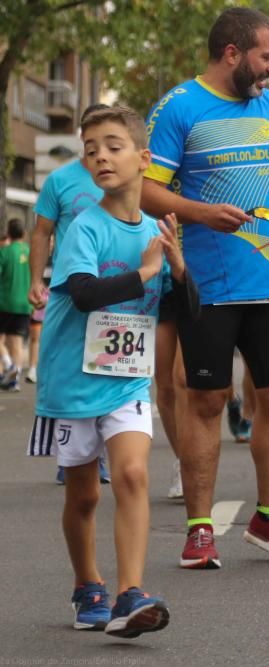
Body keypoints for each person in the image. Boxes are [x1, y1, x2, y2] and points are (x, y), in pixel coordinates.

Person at [141, 7, 269, 567]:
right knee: (207, 400)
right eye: (267, 56)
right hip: (206, 283)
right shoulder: (178, 107)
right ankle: (199, 529)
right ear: (233, 54)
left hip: (268, 278)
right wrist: (198, 212)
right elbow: (147, 192)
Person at [27, 106, 194, 637]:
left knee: (132, 474)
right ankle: (87, 586)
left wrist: (178, 269)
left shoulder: (156, 229)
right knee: (84, 495)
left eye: (113, 145)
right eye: (91, 147)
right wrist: (146, 270)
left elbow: (181, 310)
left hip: (127, 378)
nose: (100, 155)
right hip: (73, 379)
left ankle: (130, 595)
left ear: (144, 158)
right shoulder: (85, 228)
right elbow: (82, 295)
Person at [29, 104, 113, 485]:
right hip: (71, 291)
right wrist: (36, 280)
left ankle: (98, 453)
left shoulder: (123, 178)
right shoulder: (60, 180)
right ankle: (72, 454)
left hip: (116, 291)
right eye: (92, 137)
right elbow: (41, 232)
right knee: (70, 373)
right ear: (82, 137)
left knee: (107, 370)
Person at [0, 219, 31, 391]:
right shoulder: (30, 251)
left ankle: (9, 364)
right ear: (24, 233)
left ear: (9, 233)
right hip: (25, 304)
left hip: (4, 302)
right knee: (17, 342)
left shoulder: (4, 252)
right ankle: (15, 380)